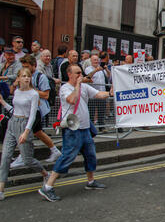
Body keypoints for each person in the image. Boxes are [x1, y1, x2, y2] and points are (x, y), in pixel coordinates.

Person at [38, 64, 113, 202]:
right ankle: (47, 187)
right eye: (77, 73)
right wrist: (78, 85)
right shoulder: (65, 88)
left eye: (81, 73)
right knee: (67, 157)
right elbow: (72, 100)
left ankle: (91, 182)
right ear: (69, 75)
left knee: (90, 156)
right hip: (72, 130)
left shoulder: (84, 87)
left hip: (85, 129)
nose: (80, 75)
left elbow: (98, 94)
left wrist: (109, 93)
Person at [0, 68, 50, 201]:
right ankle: (1, 189)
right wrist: (3, 102)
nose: (27, 78)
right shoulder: (16, 92)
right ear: (19, 78)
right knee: (5, 157)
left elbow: (32, 115)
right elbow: (14, 110)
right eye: (23, 76)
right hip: (12, 123)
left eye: (28, 76)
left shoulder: (33, 94)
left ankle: (45, 174)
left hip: (24, 125)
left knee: (28, 159)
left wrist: (26, 132)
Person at [9, 55, 62, 168]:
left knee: (25, 132)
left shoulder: (41, 77)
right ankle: (55, 150)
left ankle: (23, 157)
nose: (25, 69)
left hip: (37, 109)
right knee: (38, 132)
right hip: (25, 110)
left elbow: (46, 95)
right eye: (23, 66)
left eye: (27, 66)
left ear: (34, 65)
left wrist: (30, 90)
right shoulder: (23, 76)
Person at [85, 54, 108, 131]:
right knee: (91, 112)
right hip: (93, 95)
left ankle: (102, 127)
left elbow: (109, 77)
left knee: (101, 112)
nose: (96, 61)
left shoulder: (102, 70)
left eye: (97, 60)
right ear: (91, 61)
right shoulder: (88, 69)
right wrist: (96, 70)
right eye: (94, 60)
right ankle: (91, 128)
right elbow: (88, 77)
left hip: (102, 93)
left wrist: (106, 69)